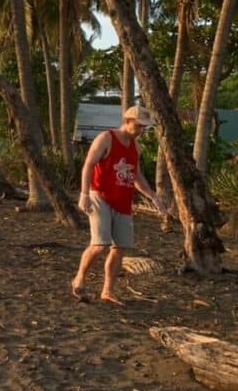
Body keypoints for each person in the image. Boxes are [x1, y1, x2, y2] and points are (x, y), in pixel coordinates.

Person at [71, 106, 167, 304]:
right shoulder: (106, 138)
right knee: (100, 244)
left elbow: (136, 175)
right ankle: (79, 278)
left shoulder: (136, 147)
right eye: (139, 126)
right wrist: (84, 194)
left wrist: (153, 197)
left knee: (120, 247)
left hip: (123, 201)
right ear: (128, 121)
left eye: (144, 128)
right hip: (100, 196)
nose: (142, 131)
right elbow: (88, 164)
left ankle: (107, 291)